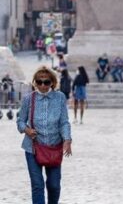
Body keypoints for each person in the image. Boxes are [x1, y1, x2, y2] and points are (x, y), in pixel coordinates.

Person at [17, 66, 73, 204]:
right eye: (39, 81)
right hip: (33, 148)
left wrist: (67, 139)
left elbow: (64, 122)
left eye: (46, 82)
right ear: (35, 82)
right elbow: (20, 121)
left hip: (54, 147)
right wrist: (26, 130)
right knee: (37, 185)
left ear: (52, 82)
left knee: (54, 185)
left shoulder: (60, 98)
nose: (42, 85)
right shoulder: (28, 99)